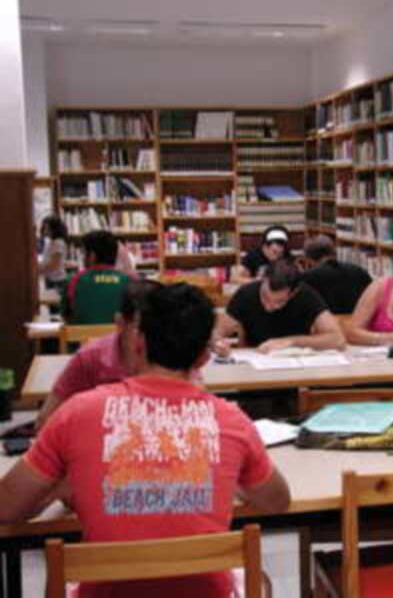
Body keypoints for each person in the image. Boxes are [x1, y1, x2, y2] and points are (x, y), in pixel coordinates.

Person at [0, 283, 291, 597]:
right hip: (204, 592)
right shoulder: (232, 423)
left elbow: (7, 507)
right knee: (262, 582)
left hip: (107, 592)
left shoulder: (76, 414)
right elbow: (276, 501)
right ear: (203, 357)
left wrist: (65, 485)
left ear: (138, 341)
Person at [36, 279, 160, 431]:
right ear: (120, 323)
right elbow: (46, 420)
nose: (150, 338)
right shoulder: (90, 358)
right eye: (139, 328)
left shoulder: (176, 358)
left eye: (158, 328)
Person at [214, 259, 345, 355]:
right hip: (254, 367)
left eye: (279, 302)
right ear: (263, 279)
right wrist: (218, 344)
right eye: (265, 297)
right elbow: (215, 334)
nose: (269, 306)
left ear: (294, 293)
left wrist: (291, 342)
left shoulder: (306, 295)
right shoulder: (246, 294)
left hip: (295, 370)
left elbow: (338, 340)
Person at [62, 230, 131, 325]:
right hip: (117, 339)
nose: (82, 258)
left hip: (82, 338)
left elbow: (65, 316)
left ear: (92, 256)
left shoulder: (73, 280)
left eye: (84, 253)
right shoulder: (129, 282)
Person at [301, 234, 371, 314]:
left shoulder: (307, 278)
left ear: (309, 260)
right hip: (358, 322)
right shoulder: (359, 271)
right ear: (333, 252)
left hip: (326, 324)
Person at [39, 215, 68, 292]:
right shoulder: (50, 242)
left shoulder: (58, 243)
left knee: (54, 302)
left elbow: (54, 265)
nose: (44, 230)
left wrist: (38, 271)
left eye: (47, 228)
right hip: (50, 278)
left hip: (57, 281)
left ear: (54, 229)